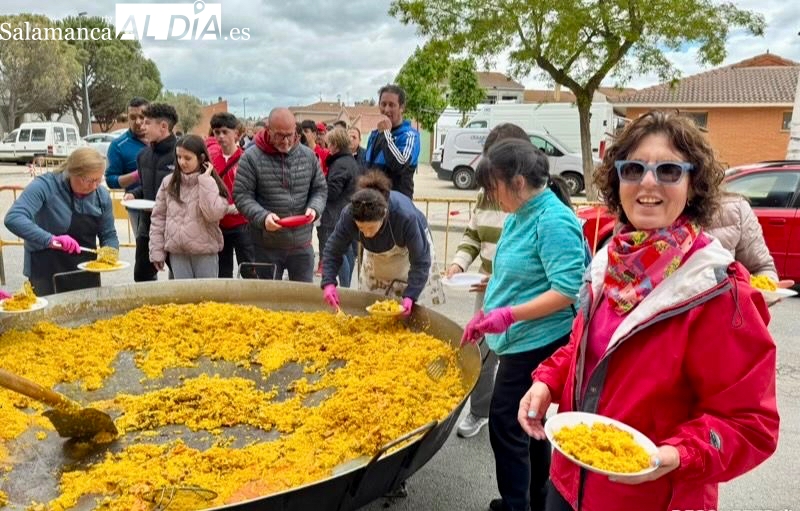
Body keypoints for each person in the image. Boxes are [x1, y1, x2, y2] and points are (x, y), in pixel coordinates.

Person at [518, 111, 780, 511]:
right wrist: (547, 382)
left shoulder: (720, 292)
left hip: (655, 496)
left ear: (693, 186)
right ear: (617, 180)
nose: (648, 182)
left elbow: (750, 424)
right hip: (569, 483)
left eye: (670, 170)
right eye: (634, 168)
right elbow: (586, 348)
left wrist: (678, 455)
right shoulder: (611, 263)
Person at [461, 139, 586, 511]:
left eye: (493, 186)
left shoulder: (553, 220)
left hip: (538, 340)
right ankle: (535, 500)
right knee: (529, 424)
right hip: (514, 337)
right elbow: (512, 275)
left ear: (517, 181)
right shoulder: (520, 213)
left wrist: (508, 315)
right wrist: (486, 317)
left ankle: (518, 504)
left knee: (507, 425)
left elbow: (566, 290)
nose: (490, 195)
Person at [446, 124, 530, 439]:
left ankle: (518, 420)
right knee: (480, 352)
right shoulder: (485, 194)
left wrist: (497, 278)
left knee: (516, 362)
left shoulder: (535, 201)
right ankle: (480, 411)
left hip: (521, 297)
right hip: (486, 289)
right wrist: (458, 263)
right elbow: (473, 233)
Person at [321, 171, 444, 315]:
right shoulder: (349, 215)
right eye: (361, 228)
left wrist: (411, 295)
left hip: (408, 255)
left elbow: (420, 261)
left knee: (413, 313)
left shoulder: (405, 217)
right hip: (376, 255)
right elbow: (333, 249)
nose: (366, 233)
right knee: (373, 308)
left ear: (384, 214)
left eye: (371, 228)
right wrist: (328, 282)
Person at [5, 148, 119, 295]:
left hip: (85, 274)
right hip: (45, 271)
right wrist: (50, 240)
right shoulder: (45, 185)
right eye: (89, 180)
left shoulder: (101, 196)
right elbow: (14, 217)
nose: (94, 186)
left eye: (98, 180)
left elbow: (108, 234)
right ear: (72, 172)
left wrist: (111, 251)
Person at [233, 107, 327, 282]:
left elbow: (320, 189)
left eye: (290, 135)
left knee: (302, 301)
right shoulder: (251, 158)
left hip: (302, 245)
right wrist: (263, 216)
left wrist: (315, 208)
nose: (285, 141)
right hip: (266, 246)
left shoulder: (308, 157)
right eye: (279, 135)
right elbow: (242, 196)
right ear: (268, 130)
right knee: (269, 303)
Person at [149, 135, 229, 279]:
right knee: (183, 299)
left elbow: (213, 214)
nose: (182, 162)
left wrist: (205, 180)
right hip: (177, 253)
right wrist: (156, 252)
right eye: (179, 157)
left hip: (205, 253)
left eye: (187, 158)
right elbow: (158, 219)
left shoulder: (210, 183)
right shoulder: (168, 183)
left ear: (201, 158)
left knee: (207, 297)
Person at [124, 103, 179, 282]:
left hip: (176, 229)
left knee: (180, 281)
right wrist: (134, 194)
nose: (142, 126)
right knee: (142, 279)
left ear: (163, 127)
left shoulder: (183, 154)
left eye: (148, 122)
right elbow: (146, 186)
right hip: (146, 227)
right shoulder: (143, 156)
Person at [208, 112, 254, 278]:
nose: (220, 136)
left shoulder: (248, 159)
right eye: (216, 132)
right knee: (222, 272)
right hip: (219, 224)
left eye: (225, 132)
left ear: (236, 133)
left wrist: (241, 206)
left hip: (243, 224)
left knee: (249, 269)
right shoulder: (211, 159)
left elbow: (255, 189)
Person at [365, 84, 421, 199]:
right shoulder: (375, 134)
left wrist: (386, 134)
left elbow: (400, 164)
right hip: (374, 206)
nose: (386, 109)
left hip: (397, 207)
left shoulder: (409, 136)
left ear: (402, 107)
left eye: (392, 105)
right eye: (383, 104)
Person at [320, 128, 359, 287]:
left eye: (328, 144)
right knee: (348, 252)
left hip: (336, 215)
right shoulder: (349, 161)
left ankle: (344, 288)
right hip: (348, 212)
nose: (327, 147)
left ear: (335, 145)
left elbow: (333, 192)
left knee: (338, 252)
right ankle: (346, 285)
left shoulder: (340, 164)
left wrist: (320, 186)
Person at [105, 97, 149, 235]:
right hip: (138, 210)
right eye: (133, 117)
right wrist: (136, 175)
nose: (138, 122)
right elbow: (111, 180)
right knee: (145, 252)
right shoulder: (118, 146)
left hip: (166, 207)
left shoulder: (160, 139)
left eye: (142, 116)